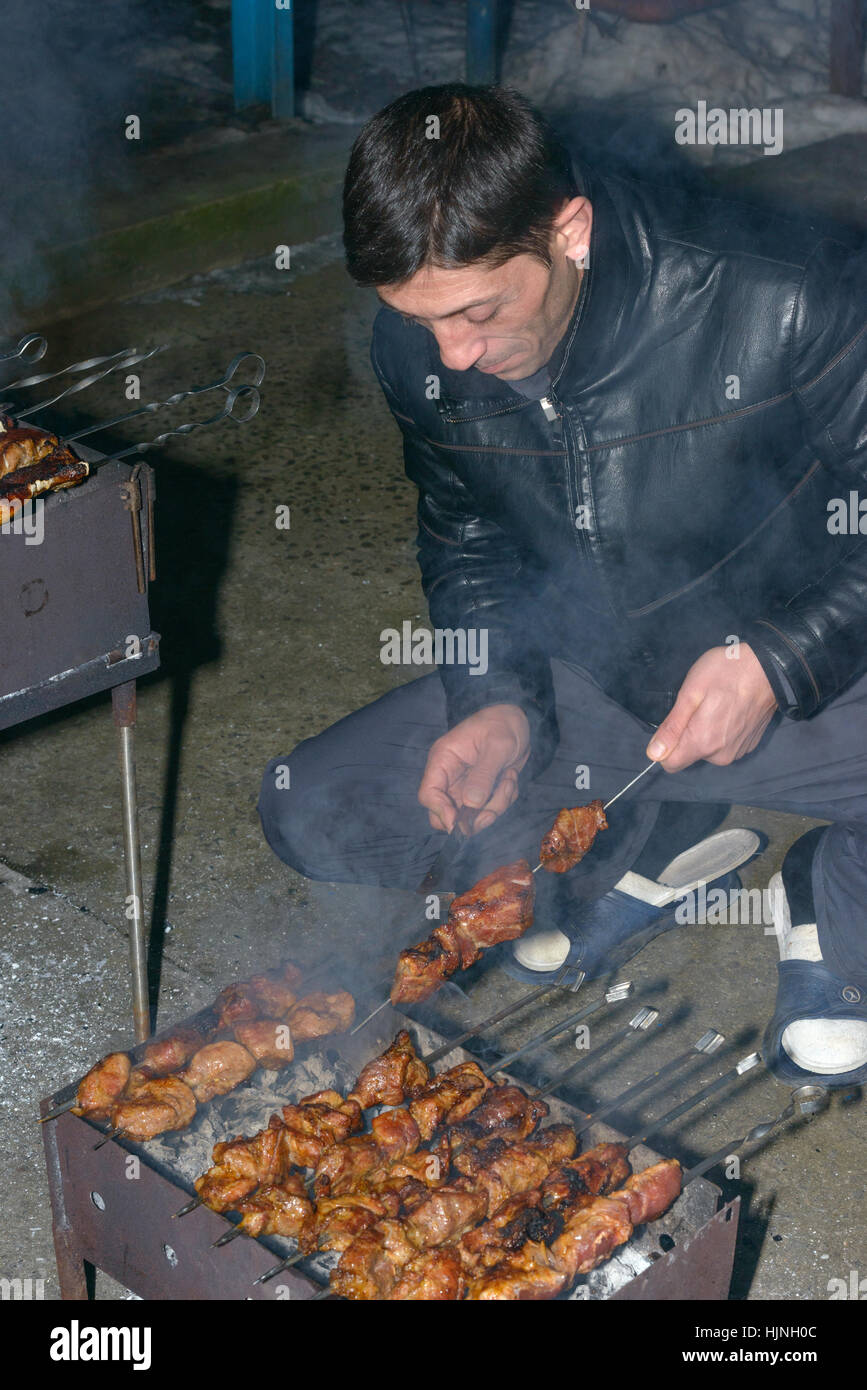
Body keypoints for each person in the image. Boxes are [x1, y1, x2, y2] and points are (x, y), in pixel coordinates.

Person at [259, 84, 867, 1087]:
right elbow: (463, 537)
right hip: (601, 689)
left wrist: (778, 657)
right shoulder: (423, 345)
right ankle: (643, 824)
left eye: (478, 311)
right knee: (314, 805)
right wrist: (497, 700)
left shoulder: (788, 291)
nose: (451, 355)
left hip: (820, 679)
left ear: (569, 232)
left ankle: (835, 900)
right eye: (419, 320)